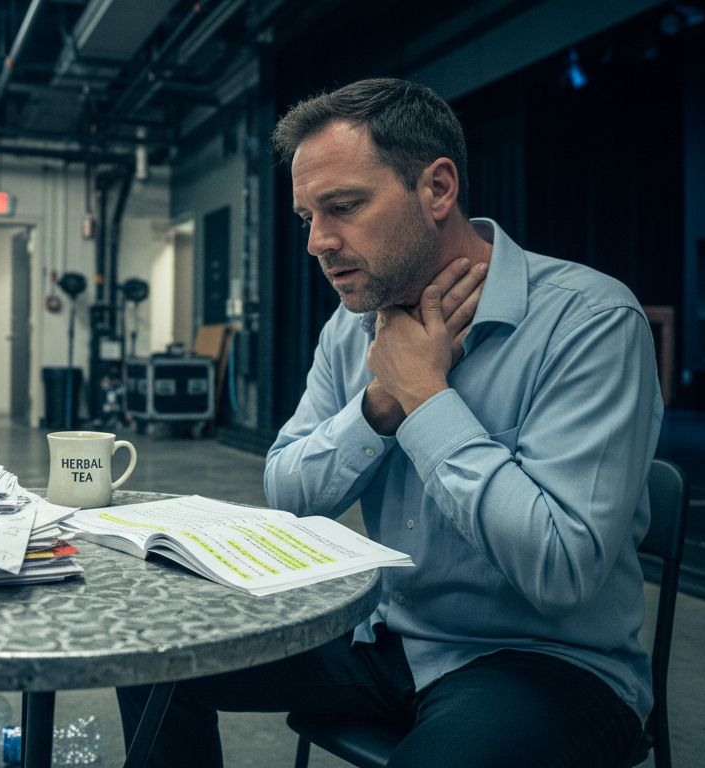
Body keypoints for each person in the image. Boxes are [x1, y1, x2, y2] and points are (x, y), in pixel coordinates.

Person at [118, 77, 662, 767]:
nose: (318, 242)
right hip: (385, 636)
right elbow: (288, 495)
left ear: (437, 189)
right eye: (307, 217)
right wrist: (379, 405)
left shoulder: (588, 321)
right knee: (153, 658)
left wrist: (426, 397)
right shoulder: (352, 332)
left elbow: (561, 568)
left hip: (547, 662)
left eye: (342, 207)